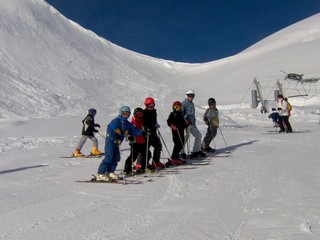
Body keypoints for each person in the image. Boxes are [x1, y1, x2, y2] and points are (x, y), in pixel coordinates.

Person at [96, 106, 144, 181]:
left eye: (128, 114)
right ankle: (100, 173)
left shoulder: (127, 123)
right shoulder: (116, 121)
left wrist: (142, 133)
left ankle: (110, 172)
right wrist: (114, 139)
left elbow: (133, 130)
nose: (126, 116)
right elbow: (110, 130)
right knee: (109, 158)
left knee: (116, 158)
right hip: (111, 142)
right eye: (124, 114)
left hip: (118, 143)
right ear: (121, 113)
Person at [141, 97, 165, 168]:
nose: (151, 107)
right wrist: (151, 126)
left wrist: (156, 124)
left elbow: (153, 121)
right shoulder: (144, 113)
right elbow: (144, 123)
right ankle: (142, 164)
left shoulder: (154, 112)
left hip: (154, 133)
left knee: (158, 146)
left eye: (152, 105)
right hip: (147, 134)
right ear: (146, 105)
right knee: (145, 149)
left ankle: (156, 162)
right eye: (149, 105)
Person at [123, 108, 148, 175]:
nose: (140, 115)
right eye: (138, 114)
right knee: (133, 156)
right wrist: (129, 136)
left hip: (142, 141)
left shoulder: (142, 122)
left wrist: (146, 133)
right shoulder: (133, 121)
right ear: (135, 114)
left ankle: (139, 167)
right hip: (135, 141)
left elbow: (143, 130)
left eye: (141, 114)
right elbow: (128, 130)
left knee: (142, 154)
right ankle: (127, 168)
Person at [181, 89, 205, 158]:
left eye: (192, 95)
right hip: (186, 124)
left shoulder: (191, 103)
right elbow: (181, 114)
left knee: (198, 136)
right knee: (185, 138)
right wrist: (186, 121)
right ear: (186, 96)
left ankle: (196, 151)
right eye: (189, 95)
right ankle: (181, 153)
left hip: (192, 124)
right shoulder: (184, 103)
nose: (191, 97)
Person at [166, 101, 188, 166]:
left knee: (181, 144)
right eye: (177, 107)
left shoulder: (180, 115)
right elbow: (169, 121)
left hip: (181, 132)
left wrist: (187, 124)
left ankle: (176, 157)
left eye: (179, 107)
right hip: (176, 132)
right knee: (177, 144)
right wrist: (173, 126)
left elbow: (183, 124)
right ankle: (174, 157)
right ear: (174, 107)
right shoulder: (172, 114)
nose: (178, 109)